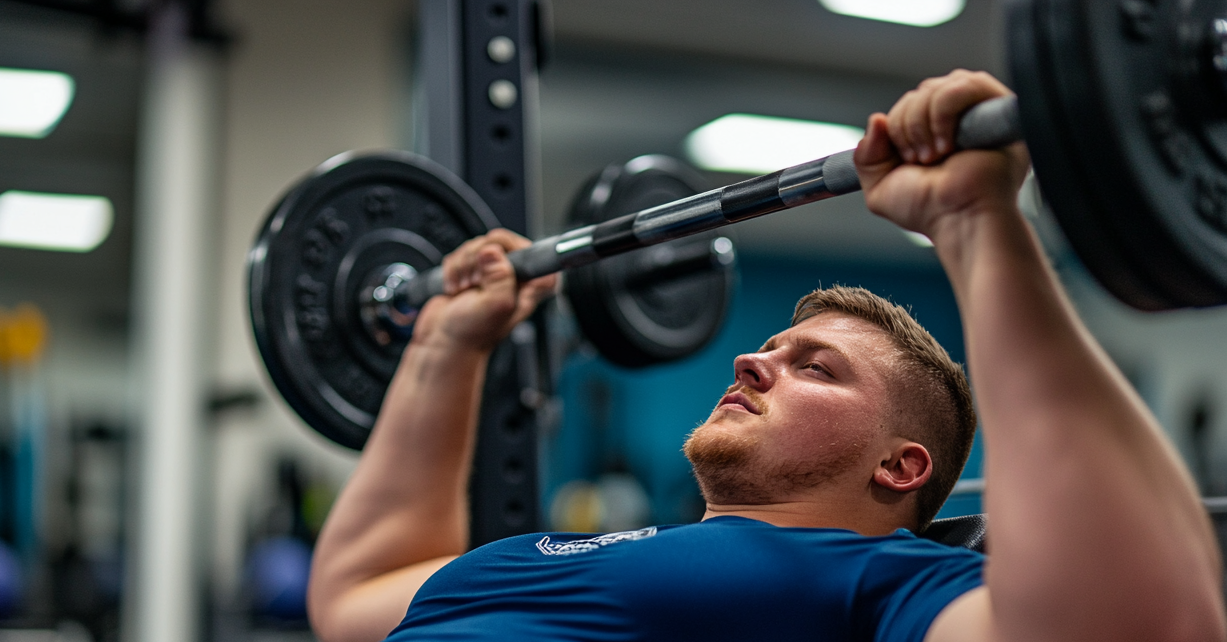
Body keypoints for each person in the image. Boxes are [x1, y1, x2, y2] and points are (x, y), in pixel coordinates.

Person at [305, 71, 1227, 642]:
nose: (749, 361)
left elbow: (1140, 625)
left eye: (814, 367)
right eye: (770, 349)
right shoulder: (544, 553)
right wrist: (444, 346)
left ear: (901, 466)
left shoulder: (872, 583)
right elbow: (352, 597)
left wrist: (972, 223)